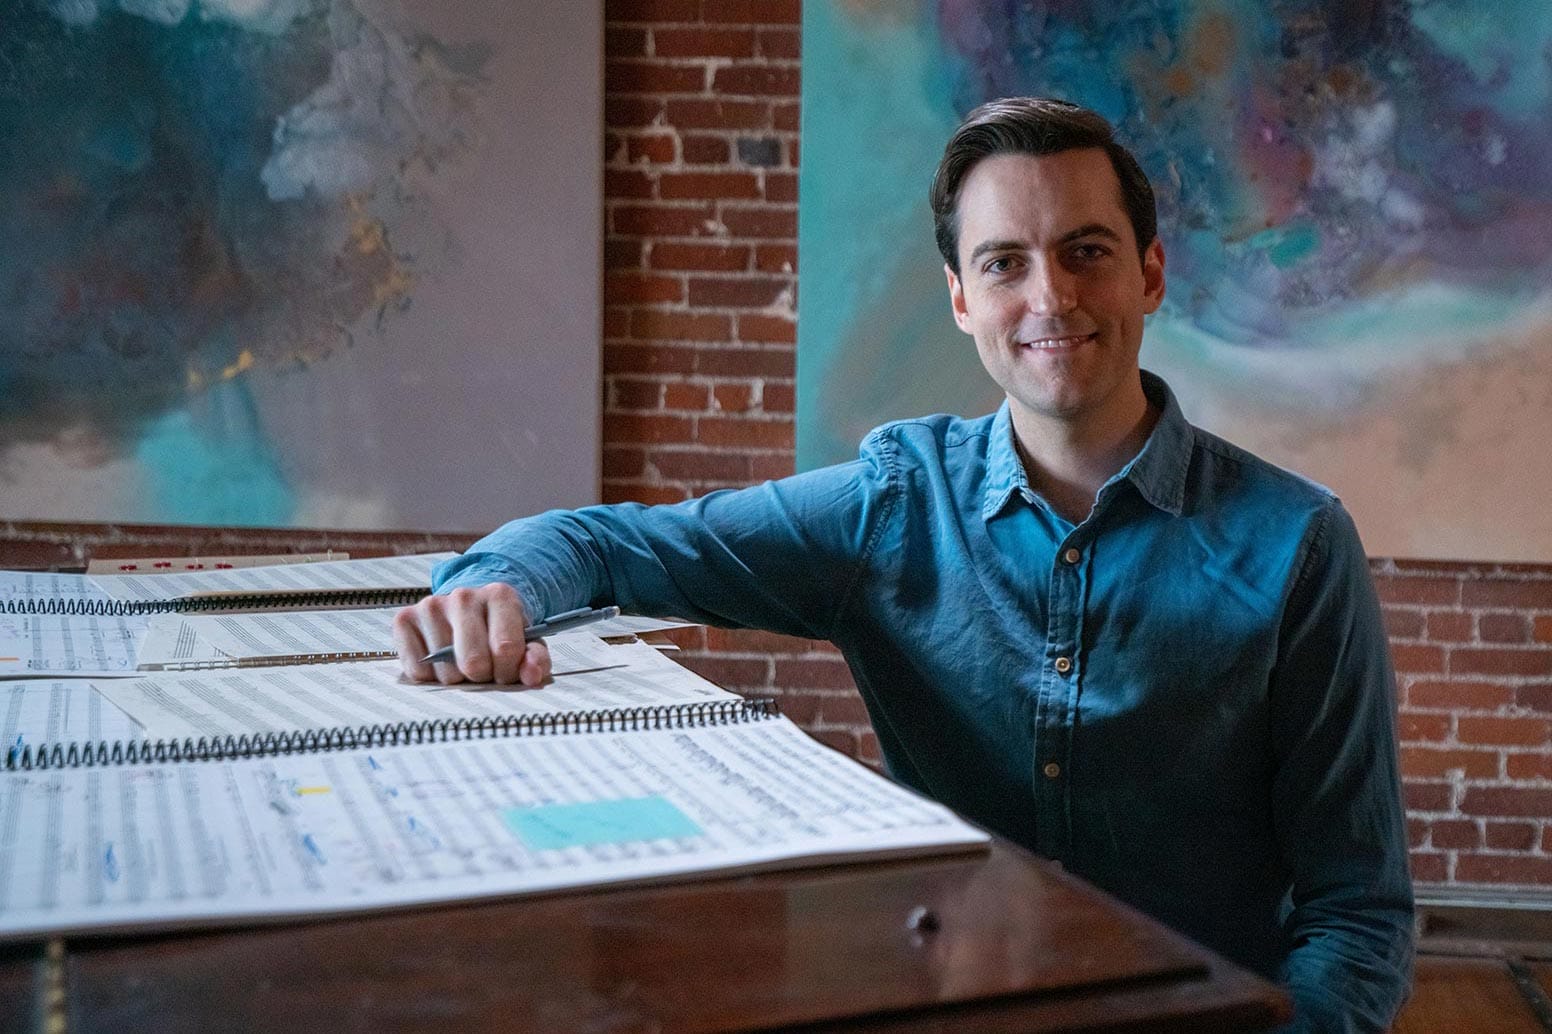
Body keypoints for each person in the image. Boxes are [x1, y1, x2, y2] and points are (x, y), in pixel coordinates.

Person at [394, 97, 1414, 1032]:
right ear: (961, 298)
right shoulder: (896, 501)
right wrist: (491, 593)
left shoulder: (1295, 542)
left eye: (1086, 250)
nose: (1050, 295)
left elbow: (1356, 911)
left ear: (1148, 270)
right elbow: (608, 541)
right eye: (1004, 261)